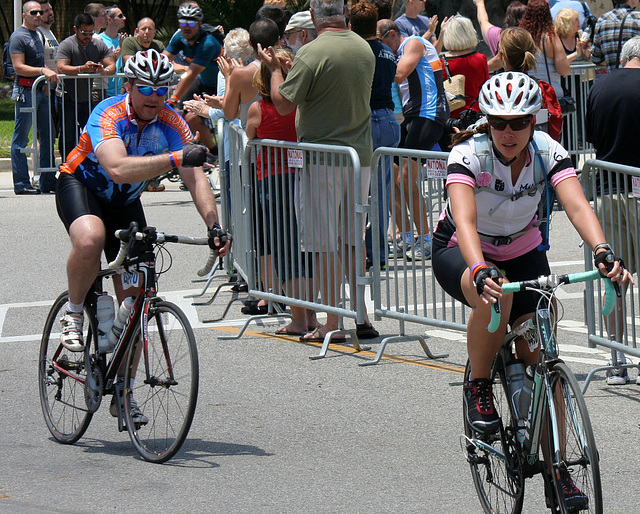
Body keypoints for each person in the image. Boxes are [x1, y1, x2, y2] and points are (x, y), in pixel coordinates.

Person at [432, 71, 630, 504]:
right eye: (499, 122)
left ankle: (557, 470)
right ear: (486, 120)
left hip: (523, 249)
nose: (508, 131)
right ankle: (479, 386)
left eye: (518, 122)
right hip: (463, 250)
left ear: (532, 120)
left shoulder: (547, 152)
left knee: (545, 359)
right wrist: (480, 268)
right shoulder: (470, 154)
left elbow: (577, 203)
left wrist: (602, 250)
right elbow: (463, 219)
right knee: (496, 293)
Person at [55, 49, 231, 421]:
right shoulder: (108, 112)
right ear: (130, 86)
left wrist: (213, 226)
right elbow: (117, 168)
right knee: (91, 238)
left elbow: (195, 176)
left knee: (136, 303)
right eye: (146, 88)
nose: (154, 96)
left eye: (162, 89)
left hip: (125, 201)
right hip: (83, 185)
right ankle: (72, 313)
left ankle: (124, 390)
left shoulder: (171, 122)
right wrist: (175, 159)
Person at [260, 0, 380, 342]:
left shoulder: (312, 52)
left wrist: (274, 69)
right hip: (359, 156)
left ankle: (332, 321)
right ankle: (360, 314)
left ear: (314, 16)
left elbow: (283, 103)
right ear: (342, 13)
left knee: (325, 243)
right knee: (352, 240)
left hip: (322, 157)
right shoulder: (363, 47)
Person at [245, 46, 318, 334]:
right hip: (303, 179)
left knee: (286, 254)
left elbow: (249, 138)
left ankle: (301, 319)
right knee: (306, 253)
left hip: (273, 183)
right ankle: (311, 316)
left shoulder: (258, 109)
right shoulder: (304, 107)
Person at [586, 36, 640, 385]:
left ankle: (617, 358)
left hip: (607, 189)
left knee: (614, 276)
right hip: (638, 189)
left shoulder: (599, 86)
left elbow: (591, 137)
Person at [378, 19, 449, 261]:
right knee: (392, 176)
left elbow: (398, 75)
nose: (377, 47)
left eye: (379, 41)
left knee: (408, 179)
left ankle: (427, 238)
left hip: (428, 114)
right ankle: (406, 235)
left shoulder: (413, 43)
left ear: (391, 35)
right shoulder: (398, 50)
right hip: (412, 115)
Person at [350, 1, 401, 269]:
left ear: (351, 26)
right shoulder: (387, 52)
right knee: (381, 193)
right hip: (388, 118)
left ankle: (355, 252)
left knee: (356, 191)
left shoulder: (356, 52)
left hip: (364, 119)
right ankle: (379, 253)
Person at [9, 1, 58, 195]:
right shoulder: (18, 37)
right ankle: (21, 183)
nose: (38, 15)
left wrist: (44, 83)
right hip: (25, 92)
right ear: (24, 15)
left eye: (40, 12)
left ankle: (47, 181)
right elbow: (18, 67)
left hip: (40, 91)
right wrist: (42, 71)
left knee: (47, 136)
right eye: (34, 12)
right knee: (21, 139)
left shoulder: (37, 34)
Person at [56, 13, 115, 160]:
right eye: (84, 33)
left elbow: (112, 65)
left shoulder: (98, 44)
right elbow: (61, 68)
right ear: (76, 29)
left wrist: (104, 70)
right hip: (66, 97)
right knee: (68, 135)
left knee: (91, 133)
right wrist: (82, 69)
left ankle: (89, 165)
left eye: (91, 32)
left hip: (86, 97)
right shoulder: (67, 44)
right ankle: (67, 165)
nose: (87, 36)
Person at [440, 14, 488, 149]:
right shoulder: (480, 59)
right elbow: (484, 88)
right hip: (475, 118)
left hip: (449, 119)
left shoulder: (441, 62)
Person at [163, 3, 223, 108]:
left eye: (191, 24)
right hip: (202, 81)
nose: (186, 28)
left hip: (219, 85)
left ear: (199, 24)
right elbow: (162, 59)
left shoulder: (208, 43)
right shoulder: (180, 37)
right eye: (183, 23)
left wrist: (174, 98)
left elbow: (192, 73)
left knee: (193, 116)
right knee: (183, 114)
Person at [520, 0, 570, 102]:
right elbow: (563, 70)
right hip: (549, 92)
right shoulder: (551, 37)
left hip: (525, 92)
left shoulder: (521, 37)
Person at [473, 0, 526, 70]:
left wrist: (480, 4)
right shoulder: (533, 38)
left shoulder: (497, 35)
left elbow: (483, 21)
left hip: (503, 79)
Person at [592, 0, 640, 73]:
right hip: (636, 78)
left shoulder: (603, 19)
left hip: (613, 78)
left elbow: (596, 58)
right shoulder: (638, 18)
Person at [99, 4, 127, 97]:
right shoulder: (99, 40)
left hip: (119, 93)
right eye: (120, 16)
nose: (124, 18)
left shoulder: (123, 39)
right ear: (109, 20)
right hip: (103, 92)